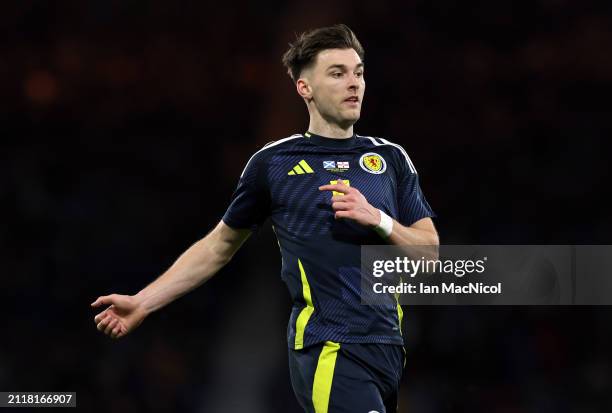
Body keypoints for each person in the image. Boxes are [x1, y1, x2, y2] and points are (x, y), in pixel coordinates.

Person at [92, 24, 438, 413]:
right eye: (337, 73)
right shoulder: (272, 164)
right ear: (304, 88)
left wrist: (379, 219)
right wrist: (143, 302)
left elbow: (429, 253)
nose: (354, 83)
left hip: (389, 348)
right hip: (327, 345)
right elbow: (219, 245)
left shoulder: (390, 159)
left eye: (358, 72)